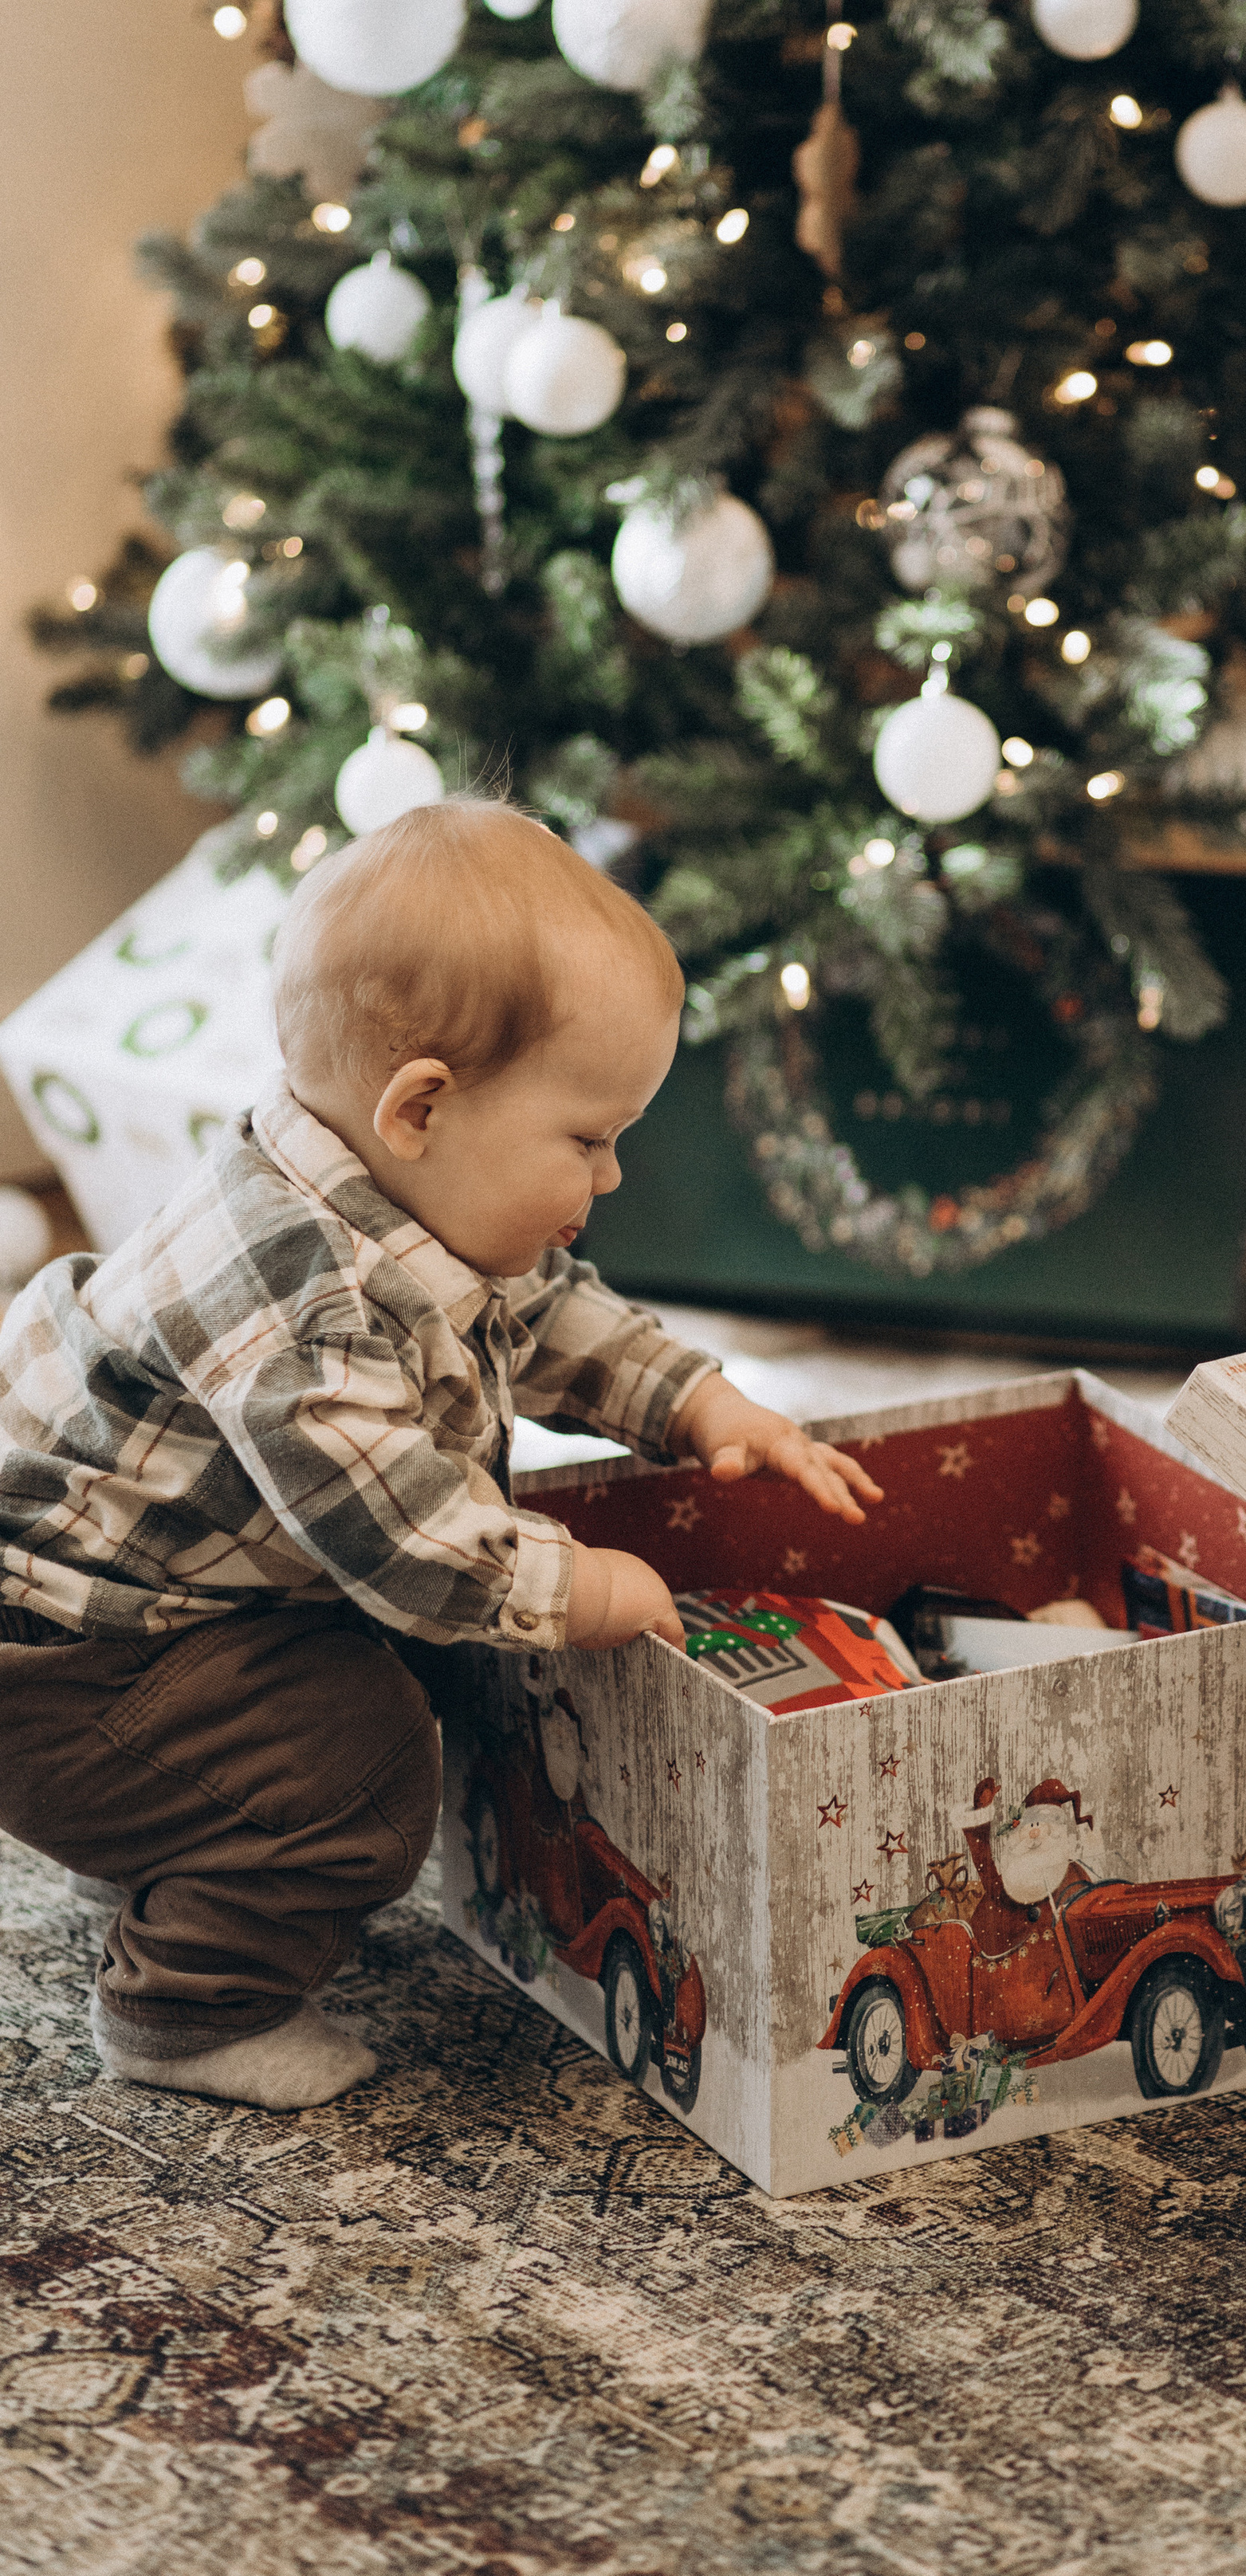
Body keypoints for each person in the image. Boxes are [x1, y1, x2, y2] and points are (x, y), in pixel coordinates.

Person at [0, 800, 882, 2105]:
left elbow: (541, 1308)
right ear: (421, 1108)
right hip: (55, 1678)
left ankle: (175, 1829)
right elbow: (406, 1539)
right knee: (361, 1763)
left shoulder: (382, 1186)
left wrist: (698, 1404)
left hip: (143, 1617)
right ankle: (184, 2008)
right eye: (590, 1140)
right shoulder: (299, 1301)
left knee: (370, 1673)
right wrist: (578, 1588)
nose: (616, 1176)